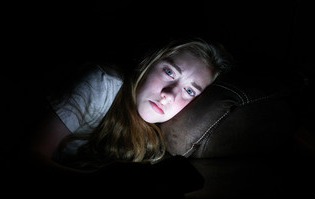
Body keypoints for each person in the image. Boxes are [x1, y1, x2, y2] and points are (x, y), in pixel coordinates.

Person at [28, 37, 233, 173]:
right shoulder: (103, 83)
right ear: (150, 62)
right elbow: (28, 156)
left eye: (189, 91)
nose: (168, 95)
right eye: (169, 72)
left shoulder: (164, 134)